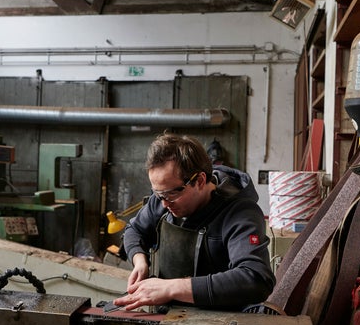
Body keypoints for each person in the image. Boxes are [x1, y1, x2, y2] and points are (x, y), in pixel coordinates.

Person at [113, 133, 275, 311]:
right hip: (169, 317)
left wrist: (172, 288)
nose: (164, 204)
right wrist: (139, 261)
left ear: (199, 181)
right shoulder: (162, 200)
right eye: (158, 194)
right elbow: (134, 230)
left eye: (171, 194)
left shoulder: (240, 213)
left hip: (220, 324)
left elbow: (255, 278)